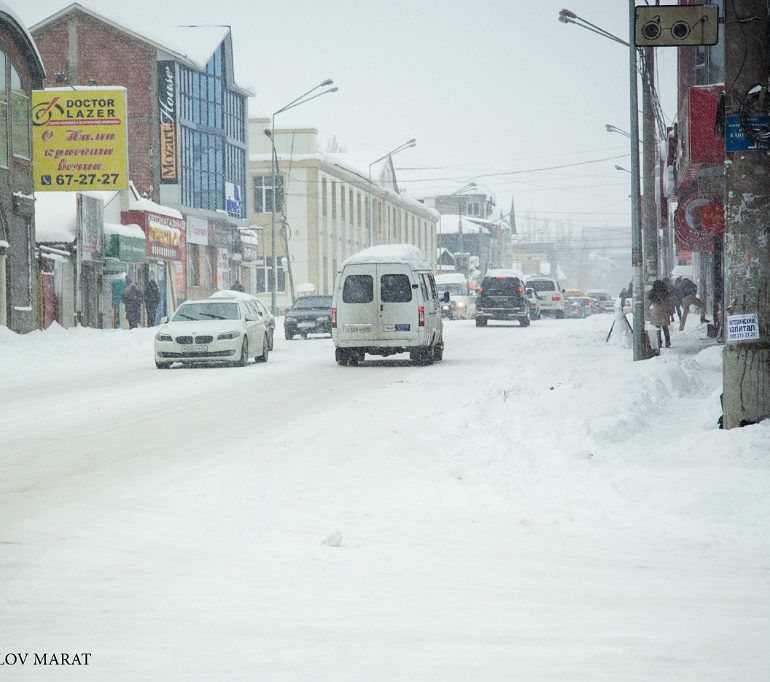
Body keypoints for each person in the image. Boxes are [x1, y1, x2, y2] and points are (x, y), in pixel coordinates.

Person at [649, 278, 672, 348]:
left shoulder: (653, 291)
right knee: (665, 328)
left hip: (657, 310)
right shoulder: (665, 291)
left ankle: (659, 342)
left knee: (657, 328)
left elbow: (649, 298)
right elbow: (669, 300)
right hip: (664, 310)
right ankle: (667, 342)